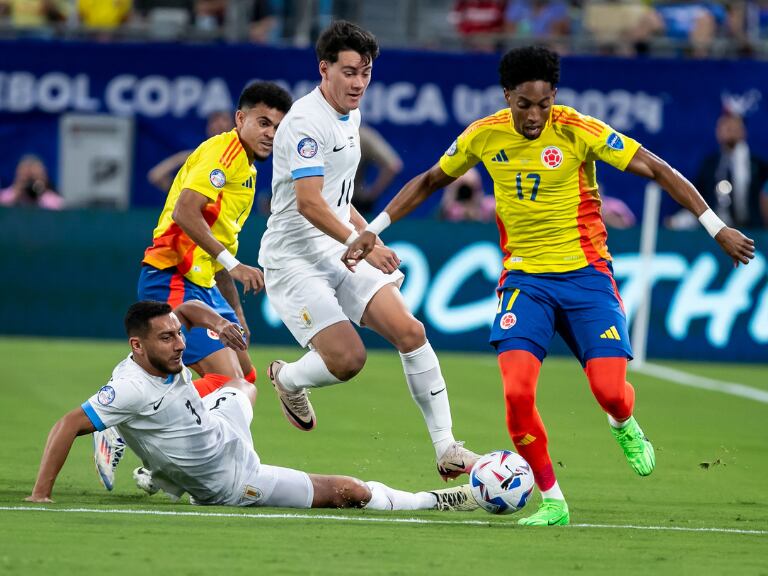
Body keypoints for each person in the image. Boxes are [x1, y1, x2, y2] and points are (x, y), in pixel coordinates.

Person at [344, 46, 755, 526]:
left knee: (610, 392)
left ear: (554, 96)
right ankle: (553, 501)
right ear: (507, 97)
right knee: (517, 394)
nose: (534, 115)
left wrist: (716, 227)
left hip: (588, 281)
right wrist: (374, 227)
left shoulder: (580, 130)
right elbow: (431, 179)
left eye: (543, 104)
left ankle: (623, 421)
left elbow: (658, 169)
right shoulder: (484, 135)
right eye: (523, 104)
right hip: (525, 283)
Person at [258, 20, 479, 481]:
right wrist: (360, 243)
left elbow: (339, 199)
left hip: (341, 246)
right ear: (325, 69)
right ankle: (289, 379)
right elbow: (310, 203)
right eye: (350, 72)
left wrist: (369, 236)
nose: (359, 82)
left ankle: (447, 449)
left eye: (367, 72)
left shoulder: (350, 114)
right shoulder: (304, 122)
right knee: (348, 360)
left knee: (411, 332)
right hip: (294, 259)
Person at [26, 300, 478, 513]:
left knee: (244, 386)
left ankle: (146, 460)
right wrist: (40, 495)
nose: (180, 343)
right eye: (167, 338)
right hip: (235, 480)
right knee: (351, 493)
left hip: (221, 429)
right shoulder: (129, 389)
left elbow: (186, 309)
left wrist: (219, 324)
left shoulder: (166, 348)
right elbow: (66, 425)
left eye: (177, 334)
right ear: (136, 346)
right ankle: (436, 501)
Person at [92, 81, 292, 491]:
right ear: (241, 119)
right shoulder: (224, 152)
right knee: (224, 381)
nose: (271, 133)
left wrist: (235, 314)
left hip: (201, 284)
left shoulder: (249, 173)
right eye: (263, 122)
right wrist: (234, 265)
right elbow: (186, 212)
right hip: (171, 278)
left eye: (278, 126)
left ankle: (160, 465)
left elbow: (221, 247)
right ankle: (118, 421)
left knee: (246, 379)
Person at [668, 111, 768, 230]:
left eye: (734, 126)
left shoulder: (758, 166)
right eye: (725, 126)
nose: (729, 129)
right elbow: (697, 198)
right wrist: (678, 221)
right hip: (716, 233)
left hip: (753, 232)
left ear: (743, 131)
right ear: (717, 131)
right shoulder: (710, 165)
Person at [147, 110, 235, 193]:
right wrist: (181, 158)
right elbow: (155, 176)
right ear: (208, 128)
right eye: (214, 120)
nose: (218, 124)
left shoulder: (241, 156)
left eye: (224, 119)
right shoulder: (197, 158)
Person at [352, 124, 403, 216]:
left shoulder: (362, 136)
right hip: (352, 201)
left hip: (333, 199)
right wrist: (370, 197)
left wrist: (369, 197)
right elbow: (393, 166)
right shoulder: (362, 135)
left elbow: (393, 166)